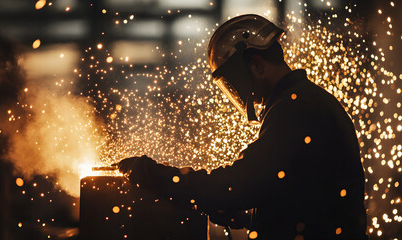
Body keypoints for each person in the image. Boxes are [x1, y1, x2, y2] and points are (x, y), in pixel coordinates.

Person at [117, 14, 368, 240]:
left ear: (257, 66)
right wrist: (250, 218)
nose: (236, 92)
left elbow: (233, 186)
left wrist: (148, 172)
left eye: (233, 81)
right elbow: (306, 200)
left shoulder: (295, 108)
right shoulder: (303, 100)